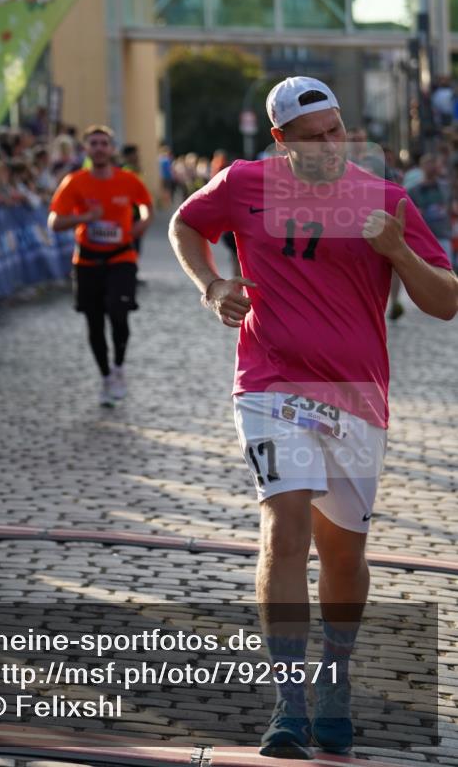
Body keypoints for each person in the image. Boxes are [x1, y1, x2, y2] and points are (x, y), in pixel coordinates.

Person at [169, 76, 457, 759]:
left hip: (358, 396)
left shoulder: (385, 198)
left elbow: (444, 301)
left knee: (342, 553)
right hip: (268, 384)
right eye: (311, 137)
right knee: (284, 525)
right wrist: (211, 283)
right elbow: (185, 223)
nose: (329, 145)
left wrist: (396, 251)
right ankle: (288, 702)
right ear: (279, 142)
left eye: (335, 131)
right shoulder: (243, 184)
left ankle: (333, 680)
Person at [48, 125, 153, 407]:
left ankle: (118, 366)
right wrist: (83, 217)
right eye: (93, 143)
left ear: (112, 149)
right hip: (87, 261)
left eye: (104, 143)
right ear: (86, 150)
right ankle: (105, 376)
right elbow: (55, 222)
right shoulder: (75, 182)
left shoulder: (128, 180)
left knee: (119, 314)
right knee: (94, 323)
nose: (99, 148)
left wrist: (138, 228)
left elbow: (146, 207)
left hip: (121, 257)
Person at [407, 153, 453, 264]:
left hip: (443, 235)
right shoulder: (413, 190)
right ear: (422, 166)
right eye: (428, 164)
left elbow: (450, 207)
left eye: (433, 164)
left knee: (447, 271)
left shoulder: (445, 187)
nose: (431, 167)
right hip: (424, 238)